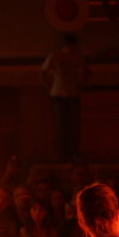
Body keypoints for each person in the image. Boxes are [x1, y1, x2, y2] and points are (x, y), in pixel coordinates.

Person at [41, 33, 89, 162]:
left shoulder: (76, 57)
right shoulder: (56, 57)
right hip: (59, 95)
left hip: (71, 95)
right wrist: (49, 87)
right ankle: (62, 155)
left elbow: (85, 70)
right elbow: (43, 73)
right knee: (61, 126)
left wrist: (81, 85)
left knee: (72, 126)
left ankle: (72, 153)